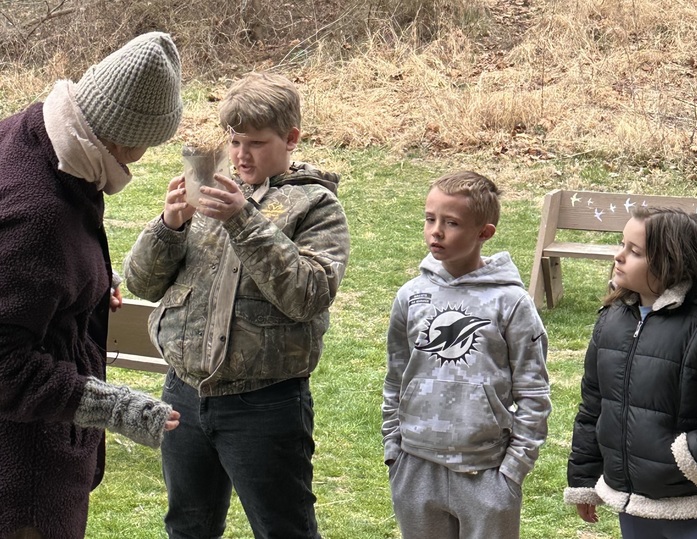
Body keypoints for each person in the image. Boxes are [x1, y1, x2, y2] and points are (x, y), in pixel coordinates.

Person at [123, 71, 350, 539]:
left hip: (264, 405)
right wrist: (170, 225)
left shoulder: (317, 206)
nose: (241, 155)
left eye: (256, 143)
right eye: (234, 140)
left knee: (283, 528)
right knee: (188, 526)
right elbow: (141, 283)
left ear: (291, 139)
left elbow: (308, 294)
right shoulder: (210, 193)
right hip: (183, 395)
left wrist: (243, 221)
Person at [0, 32, 183, 539]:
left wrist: (93, 282)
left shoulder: (25, 135)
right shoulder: (41, 212)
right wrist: (114, 407)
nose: (146, 156)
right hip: (22, 486)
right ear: (124, 136)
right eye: (151, 142)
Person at [564, 206, 697, 539]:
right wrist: (584, 480)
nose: (618, 256)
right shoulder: (612, 320)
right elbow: (595, 405)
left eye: (634, 251)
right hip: (635, 505)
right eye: (622, 245)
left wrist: (692, 456)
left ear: (671, 262)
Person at [382, 171, 552, 539]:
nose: (436, 232)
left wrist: (513, 469)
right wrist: (394, 450)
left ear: (484, 233)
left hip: (487, 473)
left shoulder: (512, 303)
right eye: (430, 219)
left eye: (452, 223)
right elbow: (396, 377)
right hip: (415, 466)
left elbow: (534, 392)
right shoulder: (411, 297)